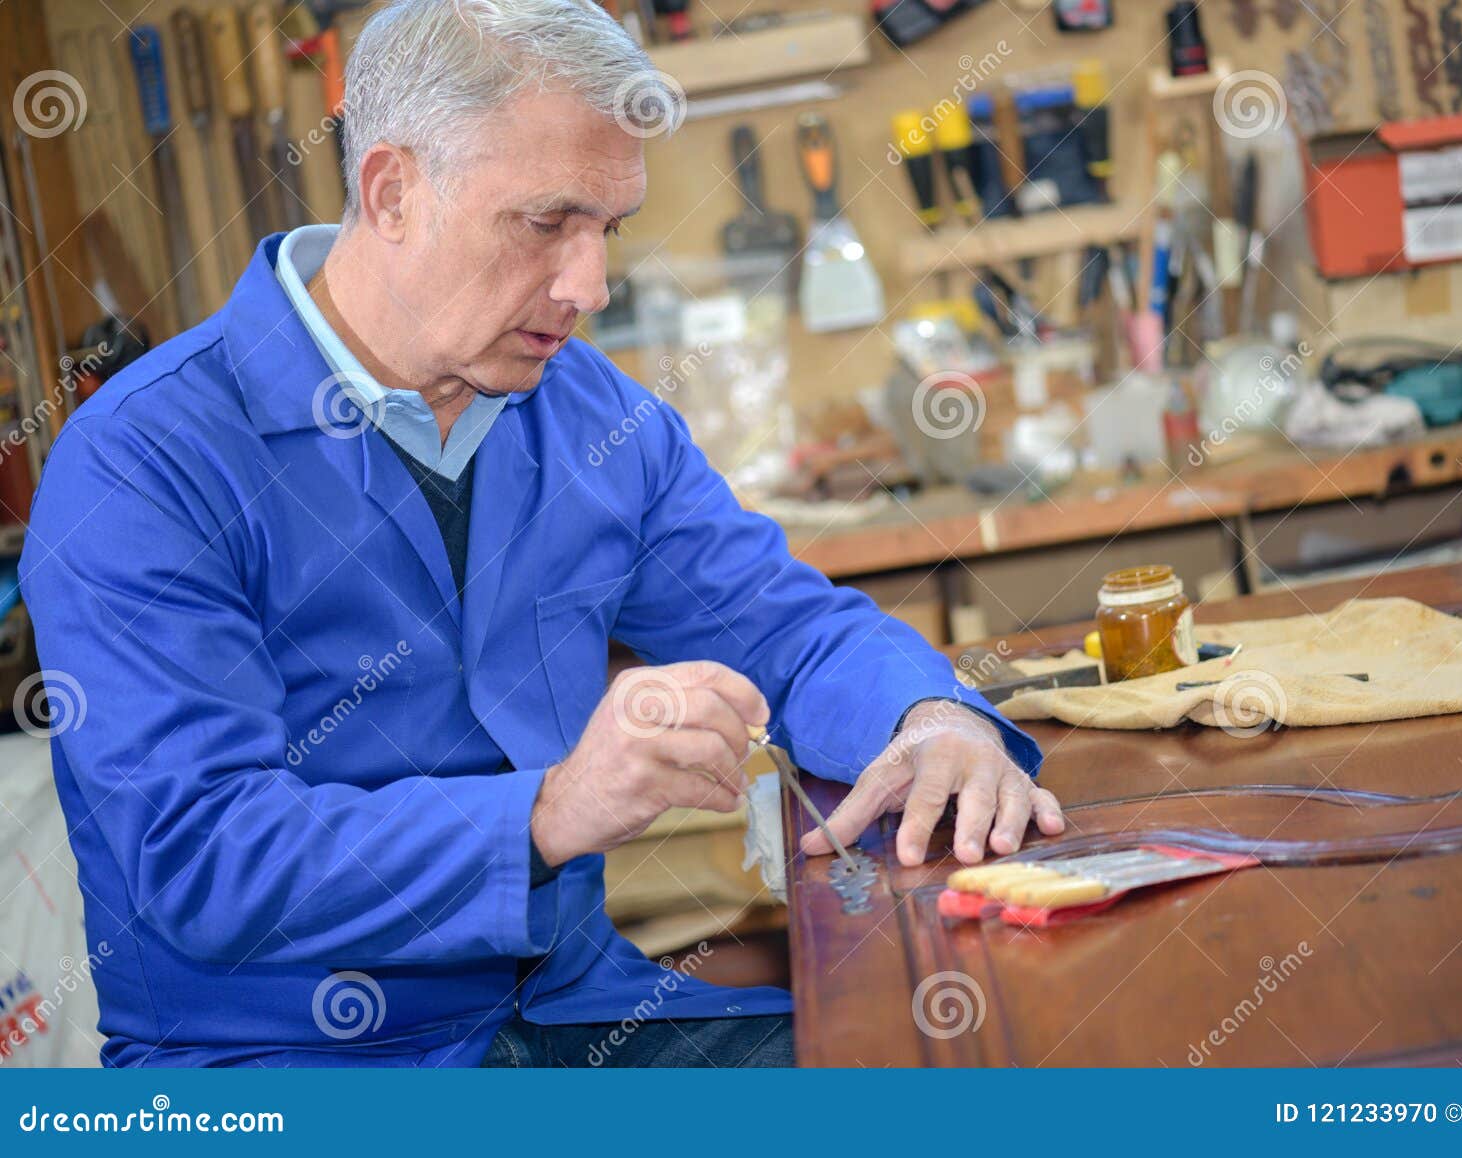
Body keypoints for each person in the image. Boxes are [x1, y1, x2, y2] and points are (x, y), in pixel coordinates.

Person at [19, 0, 1062, 1068]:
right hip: (286, 1069)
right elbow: (200, 857)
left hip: (572, 1014)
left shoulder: (589, 418)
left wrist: (934, 717)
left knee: (966, 1067)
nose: (590, 288)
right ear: (392, 192)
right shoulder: (144, 462)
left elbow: (788, 629)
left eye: (606, 229)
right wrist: (547, 814)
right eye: (544, 223)